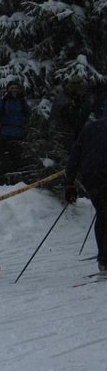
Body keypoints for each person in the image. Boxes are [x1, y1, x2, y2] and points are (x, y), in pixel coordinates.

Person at [64, 115, 107, 275]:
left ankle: (104, 260)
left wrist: (69, 182)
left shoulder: (91, 128)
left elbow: (75, 154)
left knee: (102, 214)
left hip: (92, 176)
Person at [0, 81, 31, 184]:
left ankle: (16, 180)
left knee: (17, 159)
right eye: (12, 88)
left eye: (16, 88)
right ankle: (3, 180)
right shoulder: (4, 101)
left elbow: (28, 113)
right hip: (6, 133)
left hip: (19, 133)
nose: (14, 91)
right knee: (5, 159)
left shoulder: (21, 101)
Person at [49, 75, 93, 157]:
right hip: (64, 135)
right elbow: (72, 120)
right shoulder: (65, 100)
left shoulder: (76, 98)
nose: (83, 91)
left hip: (72, 134)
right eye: (81, 89)